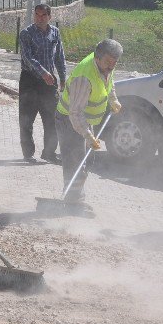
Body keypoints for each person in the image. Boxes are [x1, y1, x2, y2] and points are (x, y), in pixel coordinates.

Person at [54, 39, 123, 206]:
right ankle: (73, 202)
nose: (111, 66)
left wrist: (113, 99)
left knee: (86, 160)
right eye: (108, 62)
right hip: (69, 121)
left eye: (115, 62)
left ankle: (75, 198)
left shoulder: (106, 65)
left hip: (85, 120)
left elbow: (109, 82)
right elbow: (75, 113)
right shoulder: (84, 78)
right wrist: (88, 135)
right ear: (97, 58)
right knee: (75, 162)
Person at [19, 3, 67, 163]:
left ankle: (49, 153)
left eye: (43, 15)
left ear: (49, 17)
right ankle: (28, 154)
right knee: (27, 119)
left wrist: (63, 78)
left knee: (52, 119)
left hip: (49, 82)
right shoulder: (26, 33)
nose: (40, 18)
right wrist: (43, 72)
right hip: (30, 81)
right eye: (37, 15)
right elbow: (28, 57)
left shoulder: (55, 32)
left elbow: (59, 56)